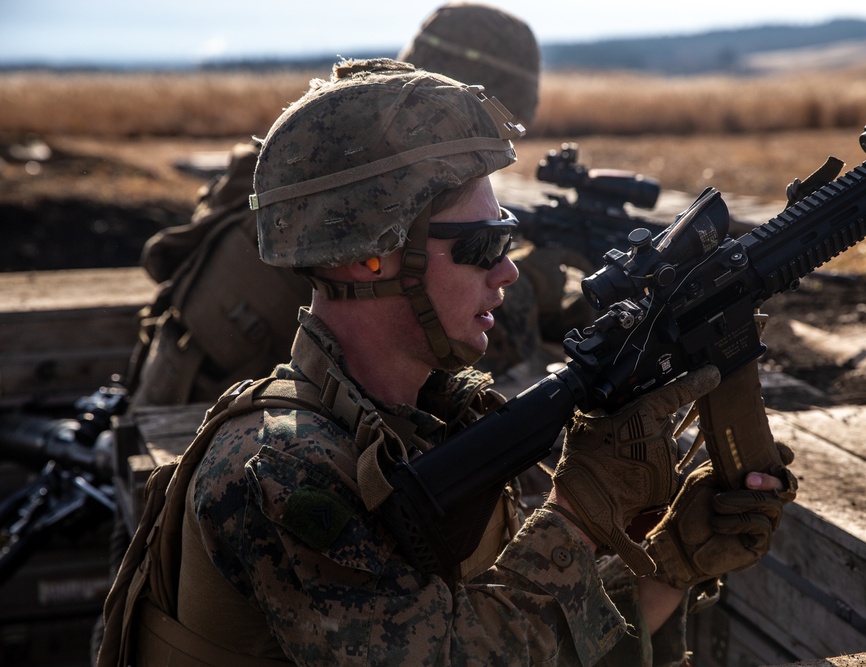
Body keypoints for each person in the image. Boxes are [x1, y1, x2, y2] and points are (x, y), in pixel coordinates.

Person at [100, 59, 795, 666]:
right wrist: (578, 514)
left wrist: (674, 562)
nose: (509, 275)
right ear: (368, 256)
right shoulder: (276, 470)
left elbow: (518, 639)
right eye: (483, 245)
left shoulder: (424, 427)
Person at [126, 2, 543, 408]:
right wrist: (544, 277)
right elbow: (458, 329)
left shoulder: (330, 151)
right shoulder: (355, 191)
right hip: (205, 413)